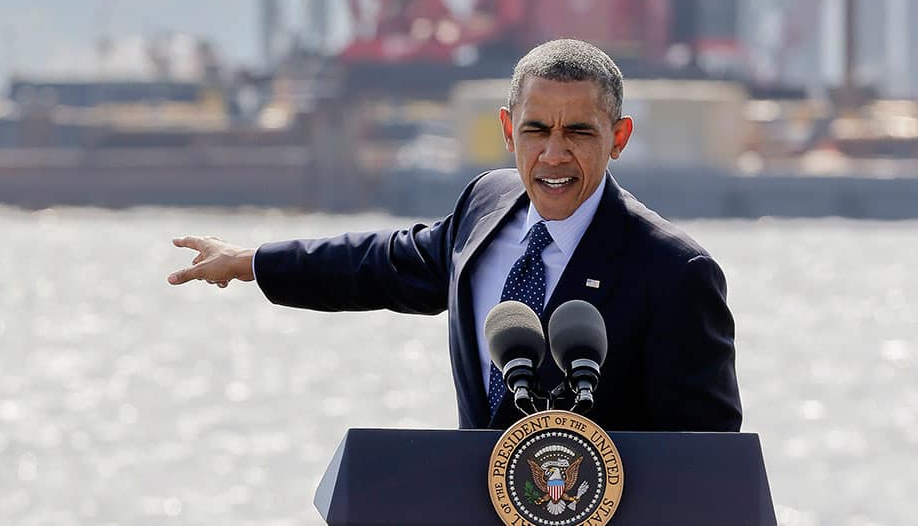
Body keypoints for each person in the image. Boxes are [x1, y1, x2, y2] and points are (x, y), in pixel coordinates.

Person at [168, 39, 741, 432]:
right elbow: (378, 265)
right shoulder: (484, 206)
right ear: (505, 129)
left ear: (619, 137)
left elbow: (704, 466)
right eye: (535, 130)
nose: (554, 153)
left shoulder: (675, 273)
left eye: (579, 133)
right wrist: (250, 262)